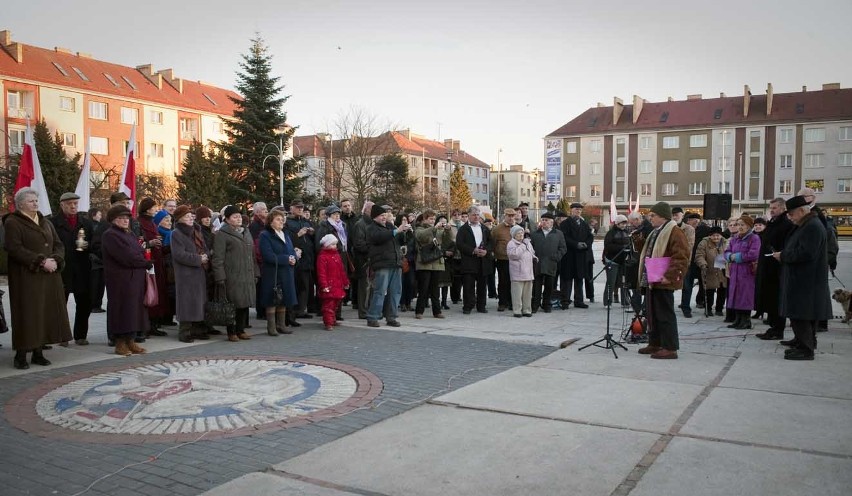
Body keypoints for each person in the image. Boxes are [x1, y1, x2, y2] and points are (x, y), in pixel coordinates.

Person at [3, 188, 73, 368]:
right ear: (20, 204)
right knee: (28, 314)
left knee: (45, 313)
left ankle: (38, 352)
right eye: (30, 201)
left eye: (36, 200)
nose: (35, 203)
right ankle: (21, 354)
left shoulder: (45, 222)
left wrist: (57, 259)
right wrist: (41, 262)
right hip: (27, 276)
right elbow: (14, 248)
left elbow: (58, 244)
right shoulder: (13, 222)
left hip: (49, 276)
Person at [773, 196, 832, 360]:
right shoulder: (806, 224)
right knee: (800, 314)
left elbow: (806, 253)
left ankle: (806, 349)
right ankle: (802, 342)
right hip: (802, 279)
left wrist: (783, 255)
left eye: (791, 214)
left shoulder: (812, 226)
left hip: (806, 280)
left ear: (801, 211)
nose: (790, 217)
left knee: (802, 314)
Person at [635, 202, 690, 359]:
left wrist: (671, 276)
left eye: (653, 216)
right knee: (652, 314)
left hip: (664, 279)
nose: (650, 218)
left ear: (663, 216)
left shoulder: (674, 231)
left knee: (665, 314)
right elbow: (650, 252)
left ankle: (670, 347)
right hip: (653, 279)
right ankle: (655, 342)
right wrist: (639, 242)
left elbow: (681, 256)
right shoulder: (655, 232)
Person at [100, 204, 149, 356]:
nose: (125, 220)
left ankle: (131, 340)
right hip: (120, 279)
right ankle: (120, 342)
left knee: (133, 310)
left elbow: (140, 250)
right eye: (121, 218)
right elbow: (126, 256)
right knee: (121, 309)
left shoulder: (130, 234)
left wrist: (142, 258)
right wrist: (143, 262)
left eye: (126, 218)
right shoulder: (110, 235)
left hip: (135, 278)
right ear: (113, 220)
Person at [51, 192, 96, 346]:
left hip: (82, 269)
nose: (73, 206)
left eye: (75, 203)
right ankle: (61, 336)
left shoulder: (85, 223)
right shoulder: (53, 223)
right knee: (59, 304)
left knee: (84, 303)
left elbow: (94, 244)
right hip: (62, 268)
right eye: (69, 203)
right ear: (62, 205)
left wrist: (86, 246)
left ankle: (80, 335)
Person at [213, 205, 258, 341]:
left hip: (247, 273)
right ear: (227, 219)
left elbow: (253, 255)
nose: (238, 219)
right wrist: (220, 276)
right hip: (232, 275)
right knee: (232, 304)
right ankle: (231, 331)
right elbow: (217, 258)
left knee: (244, 303)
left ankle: (241, 329)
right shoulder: (222, 234)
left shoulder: (246, 232)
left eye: (239, 216)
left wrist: (256, 272)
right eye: (234, 216)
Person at [754, 199, 795, 340]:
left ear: (783, 208)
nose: (772, 210)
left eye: (775, 207)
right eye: (770, 207)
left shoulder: (786, 224)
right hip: (767, 266)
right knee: (769, 299)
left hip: (776, 268)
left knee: (775, 300)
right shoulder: (773, 222)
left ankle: (778, 329)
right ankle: (773, 326)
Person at [171, 205, 211, 343]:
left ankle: (197, 329)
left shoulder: (196, 231)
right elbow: (179, 254)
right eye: (186, 216)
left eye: (190, 216)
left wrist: (205, 255)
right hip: (186, 274)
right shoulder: (176, 233)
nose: (190, 218)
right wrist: (198, 259)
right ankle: (184, 331)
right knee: (187, 302)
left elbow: (204, 247)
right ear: (180, 219)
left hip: (198, 271)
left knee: (199, 301)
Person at [259, 209, 299, 335]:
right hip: (273, 272)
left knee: (284, 297)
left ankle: (281, 325)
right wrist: (286, 259)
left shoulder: (285, 235)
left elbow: (291, 250)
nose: (281, 221)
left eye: (282, 219)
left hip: (286, 271)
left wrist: (294, 258)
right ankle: (271, 327)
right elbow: (268, 255)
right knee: (272, 298)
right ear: (270, 222)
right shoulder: (265, 235)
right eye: (278, 219)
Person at [365, 204, 405, 327]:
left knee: (396, 292)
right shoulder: (371, 228)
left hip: (395, 263)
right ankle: (373, 317)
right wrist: (396, 231)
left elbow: (401, 241)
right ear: (374, 217)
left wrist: (404, 232)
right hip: (382, 264)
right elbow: (379, 238)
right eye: (381, 215)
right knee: (380, 291)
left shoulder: (390, 226)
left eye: (384, 215)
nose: (384, 217)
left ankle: (391, 317)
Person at [137, 198, 171, 338]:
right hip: (148, 263)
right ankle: (147, 325)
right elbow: (140, 242)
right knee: (150, 292)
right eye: (153, 207)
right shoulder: (140, 223)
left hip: (157, 260)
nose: (155, 209)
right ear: (147, 208)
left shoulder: (151, 222)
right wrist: (150, 243)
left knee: (158, 292)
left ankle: (155, 323)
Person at [315, 204, 351, 322]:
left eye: (338, 214)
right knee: (330, 286)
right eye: (335, 214)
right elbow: (319, 244)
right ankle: (329, 315)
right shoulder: (324, 226)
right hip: (329, 257)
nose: (337, 216)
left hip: (342, 256)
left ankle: (337, 313)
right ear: (329, 216)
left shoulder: (342, 225)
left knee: (339, 283)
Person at [724, 215, 761, 330]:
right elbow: (727, 251)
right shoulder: (735, 238)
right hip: (735, 270)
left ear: (749, 226)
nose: (739, 227)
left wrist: (738, 257)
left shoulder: (754, 238)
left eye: (742, 225)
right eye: (738, 224)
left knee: (745, 296)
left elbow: (753, 254)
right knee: (735, 295)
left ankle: (746, 320)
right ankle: (738, 319)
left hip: (747, 271)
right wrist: (730, 256)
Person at [456, 206, 494, 314]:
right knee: (468, 286)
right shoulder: (463, 229)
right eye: (474, 215)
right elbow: (459, 244)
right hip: (469, 261)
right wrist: (473, 250)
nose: (476, 217)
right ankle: (468, 306)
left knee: (482, 286)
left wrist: (486, 251)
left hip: (483, 261)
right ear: (468, 216)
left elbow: (491, 243)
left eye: (478, 215)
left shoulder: (484, 228)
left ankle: (481, 306)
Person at [414, 210, 451, 319]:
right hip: (424, 263)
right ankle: (419, 311)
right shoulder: (420, 229)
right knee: (423, 289)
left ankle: (437, 311)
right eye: (430, 219)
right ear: (425, 219)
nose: (432, 221)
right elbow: (421, 236)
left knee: (435, 289)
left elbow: (448, 241)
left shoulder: (438, 230)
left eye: (434, 219)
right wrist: (434, 228)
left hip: (437, 262)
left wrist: (448, 230)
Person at [530, 212, 567, 313]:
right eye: (543, 220)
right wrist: (533, 258)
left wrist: (556, 257)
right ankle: (535, 305)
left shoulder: (558, 234)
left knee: (549, 286)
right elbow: (530, 248)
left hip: (551, 263)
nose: (544, 222)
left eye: (546, 220)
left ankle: (547, 304)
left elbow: (563, 248)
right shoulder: (535, 234)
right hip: (538, 263)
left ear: (552, 222)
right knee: (536, 286)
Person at [286, 200, 317, 320]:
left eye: (302, 208)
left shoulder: (306, 221)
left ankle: (302, 309)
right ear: (291, 208)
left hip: (308, 258)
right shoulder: (288, 223)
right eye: (298, 207)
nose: (300, 209)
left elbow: (314, 238)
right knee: (299, 285)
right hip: (297, 258)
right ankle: (295, 310)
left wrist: (312, 233)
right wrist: (298, 234)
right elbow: (287, 240)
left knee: (307, 285)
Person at [559, 202, 593, 309]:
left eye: (579, 210)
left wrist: (586, 244)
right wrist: (576, 244)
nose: (578, 211)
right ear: (571, 210)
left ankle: (579, 300)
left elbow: (590, 236)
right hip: (569, 255)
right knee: (567, 279)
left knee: (579, 279)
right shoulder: (565, 223)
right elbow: (564, 237)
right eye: (576, 209)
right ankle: (565, 300)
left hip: (581, 255)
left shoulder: (584, 223)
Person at [316, 234, 349, 330]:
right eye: (332, 244)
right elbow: (321, 273)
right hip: (329, 285)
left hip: (337, 284)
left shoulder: (336, 255)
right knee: (328, 305)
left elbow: (342, 270)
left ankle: (332, 320)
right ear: (326, 245)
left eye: (335, 244)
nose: (335, 246)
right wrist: (324, 285)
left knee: (335, 304)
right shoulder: (322, 257)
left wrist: (345, 282)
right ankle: (328, 322)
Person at [694, 226, 728, 317]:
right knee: (710, 290)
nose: (716, 237)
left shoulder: (725, 242)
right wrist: (703, 264)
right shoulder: (704, 243)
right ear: (710, 236)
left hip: (722, 270)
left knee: (722, 290)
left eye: (718, 235)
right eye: (713, 236)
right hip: (709, 270)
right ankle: (708, 308)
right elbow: (699, 255)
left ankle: (719, 309)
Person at [680, 213, 708, 315]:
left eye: (697, 220)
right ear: (688, 221)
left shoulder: (704, 230)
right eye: (693, 220)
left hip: (698, 260)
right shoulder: (683, 230)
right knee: (687, 285)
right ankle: (685, 306)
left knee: (696, 284)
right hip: (687, 261)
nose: (696, 222)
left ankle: (698, 302)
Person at [507, 225, 536, 318]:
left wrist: (535, 257)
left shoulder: (527, 242)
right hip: (518, 273)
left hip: (528, 272)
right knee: (517, 294)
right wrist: (523, 245)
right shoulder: (511, 243)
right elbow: (514, 255)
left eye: (522, 233)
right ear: (514, 235)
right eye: (518, 233)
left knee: (527, 294)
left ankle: (527, 310)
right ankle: (517, 311)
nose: (521, 235)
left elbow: (532, 252)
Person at [351, 201, 374, 319]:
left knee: (372, 286)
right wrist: (373, 248)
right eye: (372, 209)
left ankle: (370, 309)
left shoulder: (373, 223)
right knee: (364, 287)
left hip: (372, 259)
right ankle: (363, 311)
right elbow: (358, 244)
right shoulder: (360, 224)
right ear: (366, 210)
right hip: (363, 260)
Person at [491, 208, 516, 312]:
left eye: (512, 216)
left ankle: (511, 302)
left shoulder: (517, 228)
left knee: (513, 281)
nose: (511, 218)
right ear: (504, 216)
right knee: (503, 281)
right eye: (508, 216)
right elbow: (492, 243)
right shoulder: (497, 229)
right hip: (502, 259)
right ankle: (502, 303)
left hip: (515, 259)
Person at [602, 214, 631, 305]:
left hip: (623, 260)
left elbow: (630, 243)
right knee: (611, 281)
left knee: (624, 281)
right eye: (622, 224)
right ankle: (608, 301)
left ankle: (625, 301)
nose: (624, 225)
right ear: (617, 224)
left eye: (625, 223)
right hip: (612, 260)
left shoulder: (627, 232)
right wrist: (621, 247)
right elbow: (608, 246)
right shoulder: (611, 233)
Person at [249, 202, 269, 320]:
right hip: (259, 260)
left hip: (263, 260)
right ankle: (260, 311)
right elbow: (255, 244)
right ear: (257, 212)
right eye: (263, 209)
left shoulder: (264, 224)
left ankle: (263, 310)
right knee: (260, 287)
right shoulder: (255, 226)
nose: (266, 211)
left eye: (266, 209)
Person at [396, 214, 417, 312]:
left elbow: (415, 245)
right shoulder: (397, 232)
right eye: (403, 220)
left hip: (410, 260)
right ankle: (402, 303)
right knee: (402, 283)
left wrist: (411, 233)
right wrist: (402, 231)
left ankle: (408, 302)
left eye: (406, 220)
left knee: (411, 283)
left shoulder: (410, 232)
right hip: (401, 261)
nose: (405, 222)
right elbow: (399, 243)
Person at [435, 214, 456, 310]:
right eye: (441, 221)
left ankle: (444, 301)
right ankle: (437, 302)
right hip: (437, 257)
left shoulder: (447, 230)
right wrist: (437, 228)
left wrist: (448, 229)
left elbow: (451, 240)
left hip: (447, 260)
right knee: (437, 283)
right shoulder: (435, 230)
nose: (443, 224)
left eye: (444, 222)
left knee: (446, 283)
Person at [88, 207, 106, 314]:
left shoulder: (101, 226)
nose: (100, 216)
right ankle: (93, 305)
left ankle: (97, 304)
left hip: (100, 259)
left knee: (100, 283)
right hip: (94, 260)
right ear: (93, 215)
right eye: (99, 214)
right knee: (95, 283)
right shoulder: (91, 226)